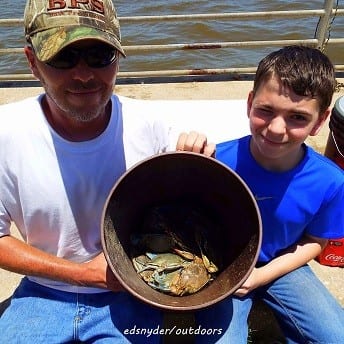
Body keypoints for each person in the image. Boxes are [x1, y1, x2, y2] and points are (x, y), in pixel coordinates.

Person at [0, 1, 219, 343]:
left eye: (100, 55)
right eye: (62, 57)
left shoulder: (152, 126)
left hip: (130, 294)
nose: (84, 75)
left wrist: (196, 153)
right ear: (32, 62)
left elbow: (195, 200)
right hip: (43, 294)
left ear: (118, 57)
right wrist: (83, 274)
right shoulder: (6, 134)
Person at [216, 45, 344, 343]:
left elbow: (316, 242)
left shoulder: (331, 181)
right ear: (250, 103)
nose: (276, 128)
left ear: (320, 121)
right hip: (221, 267)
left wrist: (261, 276)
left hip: (283, 262)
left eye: (297, 117)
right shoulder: (216, 162)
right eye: (266, 110)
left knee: (335, 335)